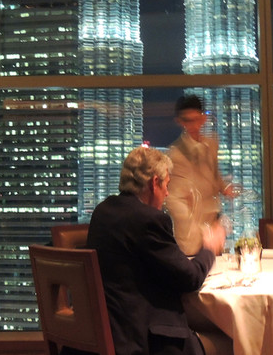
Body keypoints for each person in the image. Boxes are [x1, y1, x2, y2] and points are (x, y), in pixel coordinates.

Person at [86, 146, 225, 355]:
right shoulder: (148, 219)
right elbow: (190, 278)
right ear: (154, 183)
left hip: (110, 331)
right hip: (144, 339)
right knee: (232, 340)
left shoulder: (103, 211)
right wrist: (209, 248)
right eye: (166, 185)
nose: (167, 193)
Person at [166, 94, 237, 255]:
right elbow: (174, 199)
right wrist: (196, 231)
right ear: (180, 121)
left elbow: (214, 174)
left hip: (213, 221)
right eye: (187, 120)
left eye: (196, 119)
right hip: (190, 226)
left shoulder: (211, 144)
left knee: (217, 265)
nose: (192, 125)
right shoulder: (175, 153)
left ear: (203, 119)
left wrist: (224, 188)